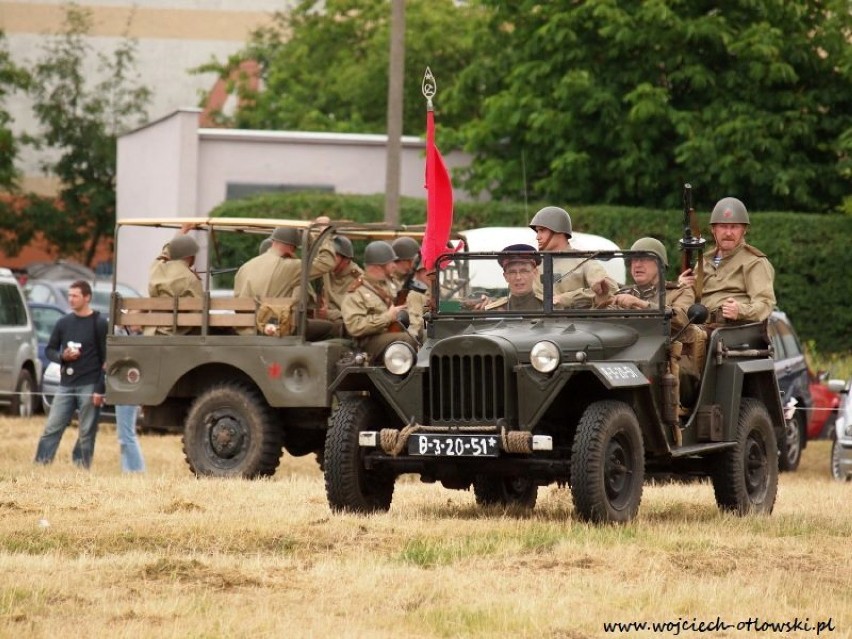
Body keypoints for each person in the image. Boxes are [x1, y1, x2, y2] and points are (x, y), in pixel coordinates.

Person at [34, 280, 108, 469]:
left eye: (75, 295)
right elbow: (50, 350)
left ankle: (81, 467)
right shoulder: (63, 322)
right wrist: (62, 356)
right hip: (66, 383)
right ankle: (41, 464)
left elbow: (106, 360)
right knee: (52, 427)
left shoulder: (99, 324)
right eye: (69, 295)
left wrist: (100, 388)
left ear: (87, 297)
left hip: (89, 384)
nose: (71, 299)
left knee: (87, 431)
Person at [680, 197, 775, 323]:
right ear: (713, 229)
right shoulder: (705, 261)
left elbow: (765, 304)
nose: (728, 233)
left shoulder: (754, 262)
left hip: (732, 331)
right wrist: (682, 286)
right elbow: (693, 299)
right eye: (723, 226)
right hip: (700, 326)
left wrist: (740, 310)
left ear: (744, 230)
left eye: (734, 227)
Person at [341, 241, 416, 362]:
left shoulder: (390, 284)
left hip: (391, 333)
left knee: (424, 333)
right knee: (406, 339)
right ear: (377, 267)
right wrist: (387, 317)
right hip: (368, 342)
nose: (394, 265)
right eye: (390, 262)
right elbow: (354, 326)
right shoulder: (356, 292)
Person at [528, 206, 616, 307]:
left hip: (577, 321)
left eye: (542, 230)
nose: (537, 237)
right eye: (537, 231)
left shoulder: (584, 261)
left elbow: (610, 289)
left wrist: (567, 299)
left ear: (558, 230)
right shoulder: (534, 265)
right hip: (538, 321)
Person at [612, 238, 693, 330]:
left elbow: (681, 320)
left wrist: (641, 304)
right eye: (634, 259)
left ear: (660, 264)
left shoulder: (680, 291)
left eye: (644, 259)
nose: (637, 265)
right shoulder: (623, 293)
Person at [234, 225, 335, 299]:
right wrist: (325, 237)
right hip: (275, 326)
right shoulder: (289, 267)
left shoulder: (245, 267)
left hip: (244, 326)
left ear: (273, 242)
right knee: (328, 327)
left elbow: (237, 299)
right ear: (292, 248)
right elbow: (327, 262)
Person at [147, 234, 203, 335]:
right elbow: (199, 313)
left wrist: (183, 230)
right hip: (175, 332)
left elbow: (165, 253)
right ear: (191, 256)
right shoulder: (191, 278)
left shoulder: (157, 267)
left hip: (152, 330)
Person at [484, 244, 544, 311]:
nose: (518, 277)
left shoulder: (550, 307)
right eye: (512, 272)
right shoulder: (494, 310)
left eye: (524, 271)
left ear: (535, 273)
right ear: (505, 276)